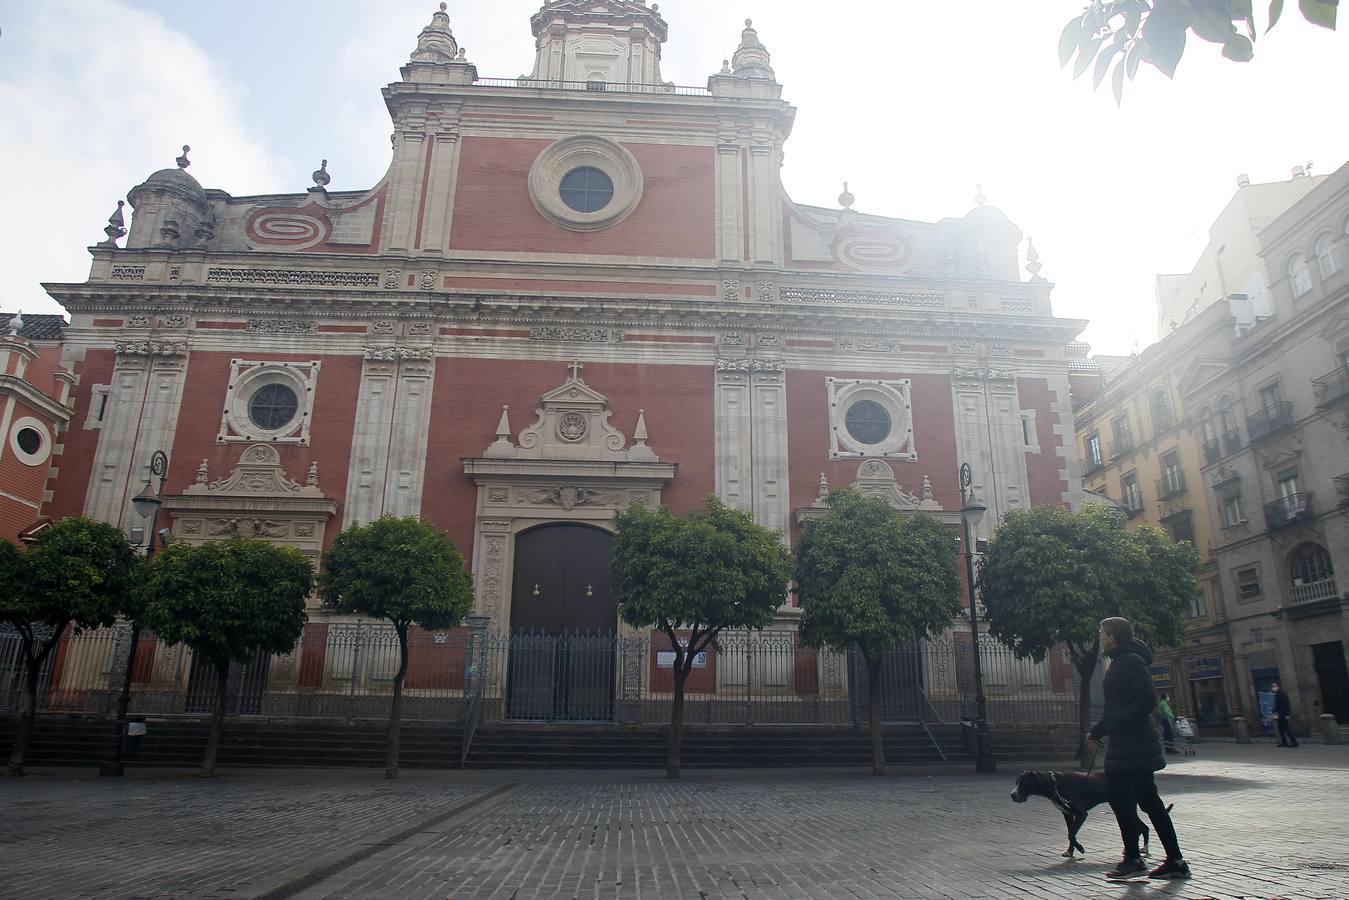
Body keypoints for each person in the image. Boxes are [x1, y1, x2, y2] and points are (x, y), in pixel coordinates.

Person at [1089, 617, 1190, 881]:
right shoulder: (1122, 661)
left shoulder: (1131, 661)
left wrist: (1120, 724)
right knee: (1147, 800)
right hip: (1129, 744)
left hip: (1133, 745)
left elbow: (1148, 697)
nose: (1099, 637)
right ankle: (1174, 860)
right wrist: (1098, 730)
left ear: (1113, 636)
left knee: (1120, 796)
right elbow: (1118, 707)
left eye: (1102, 633)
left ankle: (1134, 858)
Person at [1273, 683, 1299, 748]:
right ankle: (1284, 742)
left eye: (1274, 687)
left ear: (1278, 687)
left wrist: (1287, 714)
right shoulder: (1277, 695)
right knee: (1280, 728)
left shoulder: (1282, 695)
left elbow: (1287, 705)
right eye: (1273, 687)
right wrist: (1274, 710)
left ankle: (1294, 742)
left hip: (1283, 714)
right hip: (1279, 714)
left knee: (1287, 729)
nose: (1273, 688)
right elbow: (1277, 705)